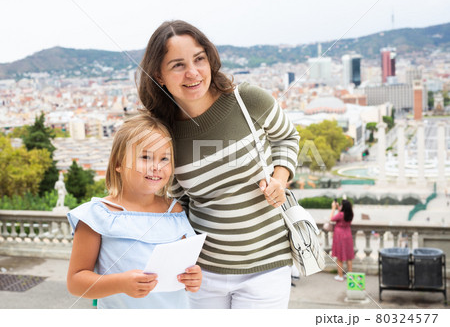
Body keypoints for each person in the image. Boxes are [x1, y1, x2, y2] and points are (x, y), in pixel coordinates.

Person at [137, 20, 300, 309]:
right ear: (159, 76)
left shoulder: (248, 100)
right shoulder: (164, 132)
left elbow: (287, 136)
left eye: (199, 59)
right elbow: (179, 200)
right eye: (177, 65)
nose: (193, 72)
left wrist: (280, 178)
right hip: (201, 273)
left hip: (268, 264)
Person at [66, 112, 202, 309]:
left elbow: (184, 271)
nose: (156, 167)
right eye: (145, 157)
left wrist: (193, 279)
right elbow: (75, 283)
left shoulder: (175, 211)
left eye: (165, 158)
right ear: (118, 164)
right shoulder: (96, 216)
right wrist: (120, 283)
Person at [330, 199, 354, 282]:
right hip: (348, 235)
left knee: (339, 256)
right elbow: (342, 213)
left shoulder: (340, 214)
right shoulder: (350, 214)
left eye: (341, 205)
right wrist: (338, 208)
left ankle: (340, 276)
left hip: (339, 236)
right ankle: (350, 276)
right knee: (349, 257)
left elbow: (332, 218)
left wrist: (333, 208)